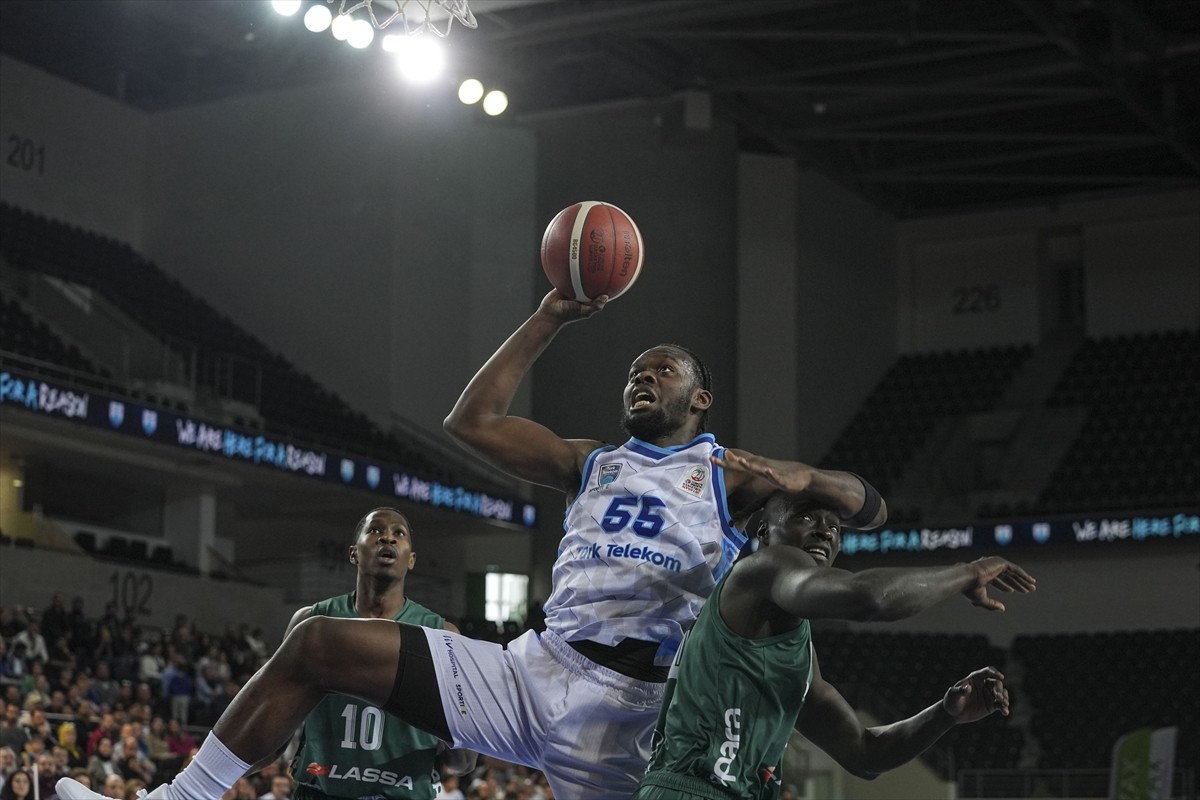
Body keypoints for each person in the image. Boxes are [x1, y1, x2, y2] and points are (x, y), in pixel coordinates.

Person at [58, 290, 886, 800]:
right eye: (633, 370)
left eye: (660, 370)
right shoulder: (586, 460)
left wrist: (788, 473)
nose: (641, 376)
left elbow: (866, 503)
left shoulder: (729, 476)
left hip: (633, 716)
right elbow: (472, 424)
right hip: (536, 671)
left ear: (699, 396)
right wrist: (548, 316)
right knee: (316, 642)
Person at [631, 452, 1038, 799]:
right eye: (805, 515)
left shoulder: (795, 652)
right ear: (764, 534)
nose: (825, 529)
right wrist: (967, 572)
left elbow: (864, 753)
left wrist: (946, 712)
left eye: (834, 526)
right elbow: (870, 598)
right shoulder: (761, 569)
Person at [281, 508, 476, 800]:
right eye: (375, 531)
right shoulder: (312, 622)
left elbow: (462, 763)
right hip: (318, 790)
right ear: (353, 554)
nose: (388, 537)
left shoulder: (442, 636)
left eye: (399, 533)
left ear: (411, 559)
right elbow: (270, 731)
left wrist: (448, 717)